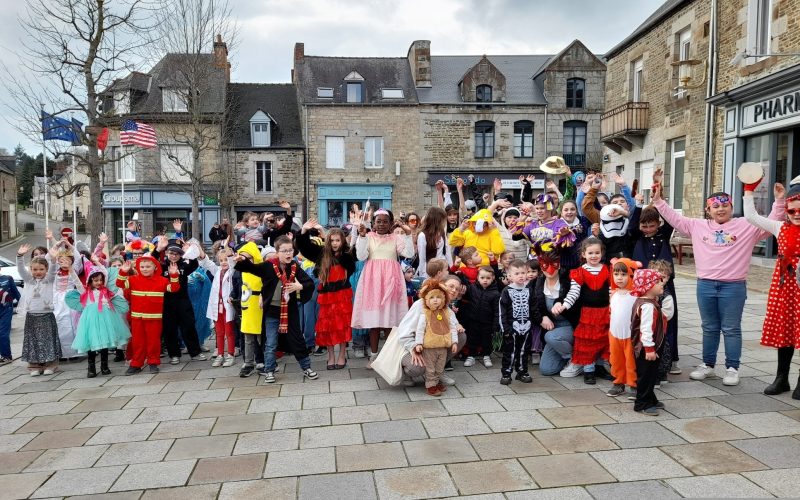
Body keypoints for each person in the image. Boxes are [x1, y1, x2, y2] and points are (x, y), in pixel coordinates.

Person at [651, 171, 785, 386]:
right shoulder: (697, 226)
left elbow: (771, 223)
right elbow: (674, 218)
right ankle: (708, 365)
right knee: (709, 327)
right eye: (716, 206)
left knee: (731, 328)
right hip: (705, 285)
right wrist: (658, 200)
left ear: (732, 207)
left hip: (733, 286)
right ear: (708, 209)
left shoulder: (747, 225)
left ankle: (732, 368)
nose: (721, 209)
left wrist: (779, 202)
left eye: (725, 205)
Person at [743, 176, 800, 398]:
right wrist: (749, 190)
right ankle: (781, 377)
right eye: (791, 211)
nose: (796, 215)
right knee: (785, 329)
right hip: (785, 287)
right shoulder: (779, 227)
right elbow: (751, 216)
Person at [234, 235, 316, 383]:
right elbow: (252, 268)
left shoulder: (295, 267)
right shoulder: (268, 266)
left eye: (290, 250)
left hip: (289, 311)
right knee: (270, 342)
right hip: (272, 311)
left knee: (297, 339)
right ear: (277, 252)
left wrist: (300, 286)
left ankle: (307, 368)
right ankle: (269, 370)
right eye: (284, 251)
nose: (288, 253)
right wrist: (242, 261)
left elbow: (309, 283)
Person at [351, 209, 415, 367]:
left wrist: (408, 234)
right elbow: (361, 256)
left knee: (389, 321)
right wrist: (363, 236)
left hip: (391, 282)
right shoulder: (368, 237)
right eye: (378, 221)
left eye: (385, 221)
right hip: (373, 282)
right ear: (373, 223)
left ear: (391, 223)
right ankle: (374, 355)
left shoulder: (396, 238)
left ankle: (389, 356)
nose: (381, 224)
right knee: (375, 321)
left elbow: (408, 252)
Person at [297, 219, 356, 370]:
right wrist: (303, 231)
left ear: (342, 241)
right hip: (327, 297)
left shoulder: (347, 255)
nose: (335, 243)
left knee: (342, 326)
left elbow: (350, 263)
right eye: (332, 240)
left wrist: (336, 246)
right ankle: (331, 356)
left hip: (342, 296)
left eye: (337, 240)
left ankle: (342, 354)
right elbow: (304, 247)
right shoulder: (322, 254)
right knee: (327, 326)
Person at [629, 205, 680, 376]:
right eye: (645, 226)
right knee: (646, 320)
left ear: (658, 224)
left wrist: (659, 202)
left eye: (652, 225)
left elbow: (671, 221)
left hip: (664, 285)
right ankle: (645, 351)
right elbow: (632, 225)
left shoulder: (663, 235)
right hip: (644, 287)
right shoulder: (636, 236)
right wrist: (637, 205)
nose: (649, 229)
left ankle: (670, 358)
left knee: (668, 321)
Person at [557, 237, 613, 384]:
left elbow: (611, 291)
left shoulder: (607, 269)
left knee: (604, 339)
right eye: (590, 253)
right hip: (588, 313)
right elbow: (573, 293)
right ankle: (589, 370)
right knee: (588, 341)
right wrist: (564, 305)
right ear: (583, 254)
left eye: (597, 252)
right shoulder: (579, 272)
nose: (594, 256)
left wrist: (614, 306)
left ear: (602, 253)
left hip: (605, 312)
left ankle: (600, 366)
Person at [117, 256, 180, 374]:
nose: (144, 269)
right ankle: (136, 363)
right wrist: (123, 271)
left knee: (153, 341)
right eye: (142, 267)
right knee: (137, 341)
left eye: (148, 267)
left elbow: (174, 288)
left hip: (154, 318)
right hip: (137, 318)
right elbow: (119, 283)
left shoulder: (162, 280)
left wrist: (174, 275)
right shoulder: (132, 279)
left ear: (155, 267)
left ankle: (153, 362)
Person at [65, 265, 130, 378]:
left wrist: (97, 262)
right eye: (96, 280)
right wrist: (70, 269)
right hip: (90, 320)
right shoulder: (85, 291)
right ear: (90, 280)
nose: (99, 282)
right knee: (91, 343)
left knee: (104, 341)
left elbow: (105, 273)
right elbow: (76, 280)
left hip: (105, 318)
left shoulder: (106, 291)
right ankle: (91, 367)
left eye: (101, 280)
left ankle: (104, 366)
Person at [152, 237, 207, 364]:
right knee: (169, 329)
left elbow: (194, 263)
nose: (174, 256)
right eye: (171, 253)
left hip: (183, 301)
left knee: (188, 326)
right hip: (167, 302)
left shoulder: (184, 265)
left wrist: (188, 249)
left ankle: (195, 352)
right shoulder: (162, 266)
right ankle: (174, 354)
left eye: (177, 253)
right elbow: (152, 260)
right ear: (167, 253)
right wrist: (158, 248)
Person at [535, 249, 580, 377]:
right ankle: (568, 357)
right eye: (545, 264)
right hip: (553, 329)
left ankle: (578, 359)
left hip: (570, 326)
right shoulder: (537, 284)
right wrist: (542, 317)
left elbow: (576, 305)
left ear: (559, 265)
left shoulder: (569, 283)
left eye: (553, 264)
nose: (549, 269)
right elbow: (533, 308)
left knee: (550, 337)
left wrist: (562, 303)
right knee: (546, 370)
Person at [16, 244, 59, 375]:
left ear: (45, 270)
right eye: (35, 269)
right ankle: (34, 365)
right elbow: (21, 270)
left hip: (46, 315)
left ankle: (50, 364)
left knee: (48, 340)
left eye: (41, 269)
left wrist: (53, 260)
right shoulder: (29, 280)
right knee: (33, 340)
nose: (38, 272)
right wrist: (19, 256)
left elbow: (53, 270)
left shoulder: (49, 280)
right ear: (31, 270)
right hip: (32, 315)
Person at [630, 268, 669, 416]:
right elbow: (645, 330)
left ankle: (650, 398)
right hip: (646, 348)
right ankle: (641, 403)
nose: (662, 285)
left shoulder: (648, 302)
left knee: (651, 374)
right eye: (658, 282)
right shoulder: (647, 306)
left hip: (650, 346)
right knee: (646, 375)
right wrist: (650, 349)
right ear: (647, 286)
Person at [413, 279, 460, 396]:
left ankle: (437, 381)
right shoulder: (425, 314)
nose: (435, 300)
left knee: (439, 367)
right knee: (430, 368)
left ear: (443, 299)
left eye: (438, 297)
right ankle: (430, 385)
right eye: (432, 297)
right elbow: (420, 330)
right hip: (429, 347)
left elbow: (452, 328)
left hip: (442, 347)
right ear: (426, 300)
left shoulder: (446, 313)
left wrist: (454, 342)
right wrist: (418, 343)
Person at [498, 259, 541, 385]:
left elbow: (534, 307)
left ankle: (522, 371)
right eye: (517, 273)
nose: (521, 276)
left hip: (527, 326)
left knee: (524, 351)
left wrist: (537, 321)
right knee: (510, 352)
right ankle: (506, 373)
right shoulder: (506, 291)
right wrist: (505, 329)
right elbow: (502, 311)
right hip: (512, 327)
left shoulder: (529, 290)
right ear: (510, 276)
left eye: (523, 273)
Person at [606, 258, 640, 396]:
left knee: (631, 361)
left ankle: (634, 384)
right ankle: (618, 382)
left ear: (632, 275)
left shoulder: (636, 295)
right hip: (614, 334)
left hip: (630, 335)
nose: (619, 278)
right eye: (616, 274)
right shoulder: (613, 294)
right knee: (615, 359)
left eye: (624, 274)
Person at [233, 242, 265, 377]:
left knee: (261, 337)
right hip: (246, 307)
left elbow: (267, 284)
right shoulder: (242, 272)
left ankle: (262, 361)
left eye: (248, 258)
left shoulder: (261, 269)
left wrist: (263, 296)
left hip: (259, 307)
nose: (245, 260)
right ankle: (248, 363)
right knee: (248, 337)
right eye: (243, 258)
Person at [202, 247, 237, 367]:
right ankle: (220, 354)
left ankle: (230, 354)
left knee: (229, 332)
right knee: (219, 332)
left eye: (226, 259)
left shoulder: (232, 271)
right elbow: (207, 263)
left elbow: (232, 262)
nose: (224, 262)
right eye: (221, 260)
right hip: (217, 307)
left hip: (228, 307)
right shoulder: (217, 271)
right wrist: (199, 251)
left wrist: (229, 253)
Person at [462, 266, 500, 368]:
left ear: (493, 278)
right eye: (482, 277)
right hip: (473, 320)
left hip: (487, 322)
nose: (485, 280)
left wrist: (496, 325)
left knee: (486, 340)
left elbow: (497, 310)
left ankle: (486, 355)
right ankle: (471, 356)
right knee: (472, 339)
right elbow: (464, 289)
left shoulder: (495, 293)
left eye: (488, 278)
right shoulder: (472, 288)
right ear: (478, 278)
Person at [416, 207, 449, 278]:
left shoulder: (442, 232)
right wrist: (424, 276)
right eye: (443, 220)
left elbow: (447, 252)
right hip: (430, 271)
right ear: (437, 221)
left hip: (443, 269)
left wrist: (451, 269)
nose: (444, 223)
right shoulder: (422, 235)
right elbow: (422, 259)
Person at [0, 271, 20, 365]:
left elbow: (17, 294)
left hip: (6, 309)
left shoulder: (7, 279)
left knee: (3, 333)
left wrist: (24, 306)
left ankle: (6, 355)